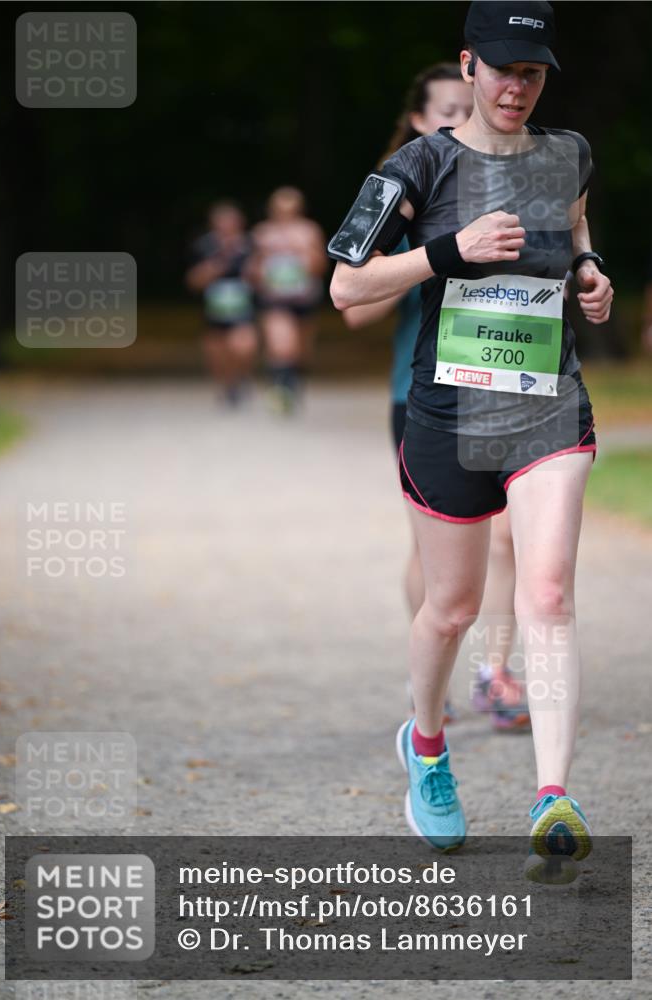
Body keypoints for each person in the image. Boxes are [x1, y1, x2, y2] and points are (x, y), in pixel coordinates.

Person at [330, 1, 613, 882]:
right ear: (467, 66)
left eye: (531, 72)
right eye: (500, 69)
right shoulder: (417, 164)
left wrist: (587, 271)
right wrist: (448, 249)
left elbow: (573, 227)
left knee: (547, 595)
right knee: (451, 610)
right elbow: (345, 288)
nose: (515, 87)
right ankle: (425, 744)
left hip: (546, 406)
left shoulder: (568, 153)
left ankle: (552, 795)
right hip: (447, 416)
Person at [342, 64, 529, 730]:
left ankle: (494, 673)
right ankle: (432, 674)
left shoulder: (518, 177)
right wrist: (443, 251)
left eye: (464, 108)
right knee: (436, 551)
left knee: (505, 539)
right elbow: (352, 304)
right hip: (423, 395)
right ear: (420, 122)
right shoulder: (407, 186)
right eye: (445, 112)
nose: (460, 121)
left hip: (507, 385)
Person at [249, 187, 327, 413]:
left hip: (304, 298)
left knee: (301, 351)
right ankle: (280, 390)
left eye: (291, 209)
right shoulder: (262, 233)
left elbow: (321, 266)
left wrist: (302, 251)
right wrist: (262, 267)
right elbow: (251, 269)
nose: (285, 214)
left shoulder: (309, 231)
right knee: (282, 345)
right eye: (280, 209)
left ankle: (293, 384)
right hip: (275, 298)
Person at [185, 201, 258, 405]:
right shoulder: (203, 246)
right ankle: (228, 386)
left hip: (243, 309)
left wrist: (254, 274)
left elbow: (262, 275)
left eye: (231, 222)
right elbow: (192, 281)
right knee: (218, 354)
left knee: (244, 346)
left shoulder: (250, 245)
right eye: (221, 222)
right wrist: (213, 268)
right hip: (213, 311)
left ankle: (242, 377)